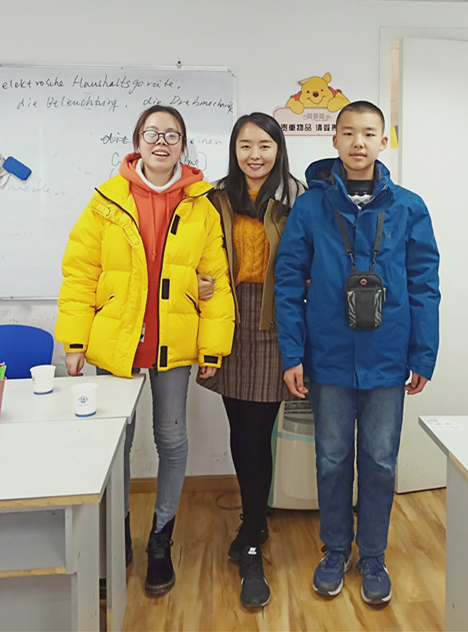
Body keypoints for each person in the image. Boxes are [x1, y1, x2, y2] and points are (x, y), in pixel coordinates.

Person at [55, 105, 235, 597]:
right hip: (117, 343)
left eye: (172, 135)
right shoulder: (106, 201)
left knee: (171, 439)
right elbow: (80, 274)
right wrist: (74, 341)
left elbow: (216, 281)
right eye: (152, 133)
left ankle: (160, 538)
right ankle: (117, 536)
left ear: (183, 145)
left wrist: (212, 348)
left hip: (173, 343)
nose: (161, 142)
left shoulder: (201, 204)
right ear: (137, 141)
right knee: (116, 443)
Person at [274, 101, 440, 605]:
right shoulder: (311, 208)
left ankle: (372, 555)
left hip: (388, 358)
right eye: (348, 133)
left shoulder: (408, 207)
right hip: (327, 357)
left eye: (369, 133)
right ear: (335, 141)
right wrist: (292, 353)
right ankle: (334, 550)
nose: (359, 142)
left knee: (381, 460)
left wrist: (423, 354)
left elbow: (424, 286)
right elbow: (287, 282)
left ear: (383, 141)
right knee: (331, 459)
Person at [197, 112, 305, 609]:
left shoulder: (298, 198)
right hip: (227, 319)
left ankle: (253, 534)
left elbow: (312, 259)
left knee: (255, 433)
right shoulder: (215, 198)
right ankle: (254, 521)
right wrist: (198, 283)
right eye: (245, 145)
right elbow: (194, 255)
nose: (255, 155)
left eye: (265, 145)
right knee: (238, 427)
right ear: (234, 150)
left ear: (278, 149)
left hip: (275, 322)